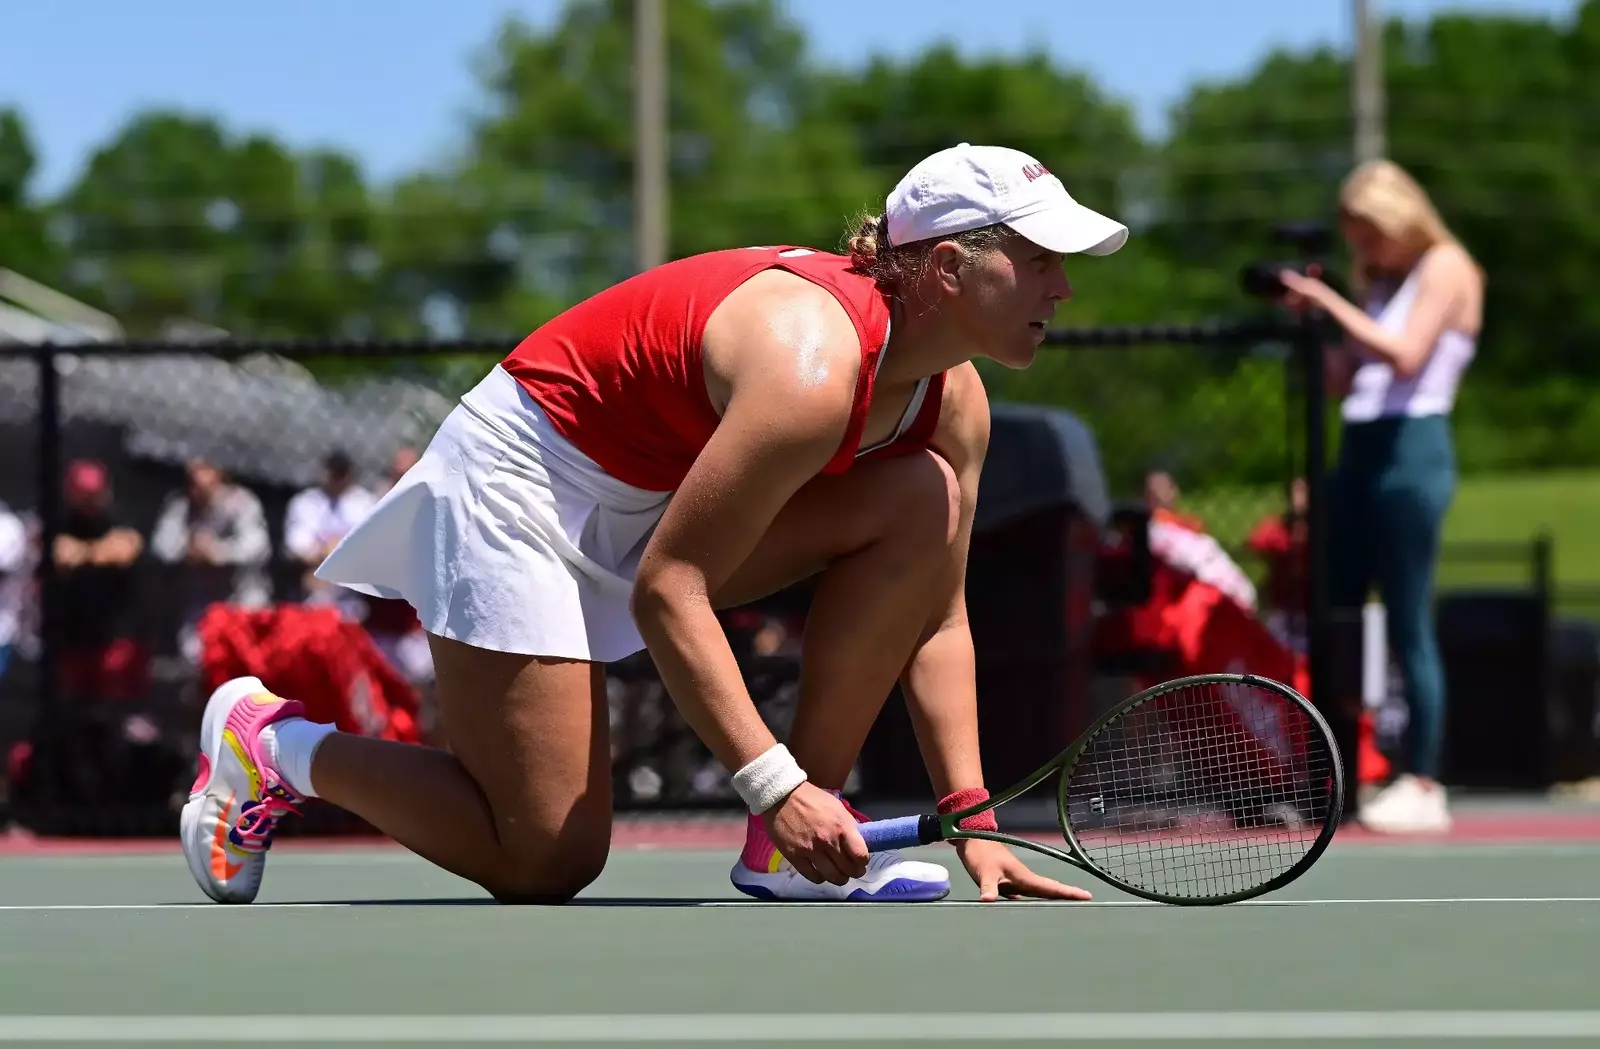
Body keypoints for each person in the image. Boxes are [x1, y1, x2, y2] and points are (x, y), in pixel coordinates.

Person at [179, 142, 1129, 905]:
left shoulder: (954, 403)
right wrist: (770, 779)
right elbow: (672, 588)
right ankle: (272, 746)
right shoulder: (808, 369)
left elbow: (938, 613)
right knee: (544, 859)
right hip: (520, 485)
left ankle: (788, 850)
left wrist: (972, 820)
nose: (1064, 287)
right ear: (954, 268)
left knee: (922, 501)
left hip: (651, 501)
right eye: (1041, 260)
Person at [1277, 159, 1484, 834]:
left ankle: (1422, 778)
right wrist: (1315, 322)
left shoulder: (1448, 265)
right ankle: (1332, 771)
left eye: (1370, 234)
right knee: (1336, 609)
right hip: (1361, 446)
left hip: (1413, 448)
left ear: (1398, 217)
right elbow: (1347, 377)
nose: (1363, 251)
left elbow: (1406, 355)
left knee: (1405, 618)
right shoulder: (1382, 281)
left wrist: (1332, 300)